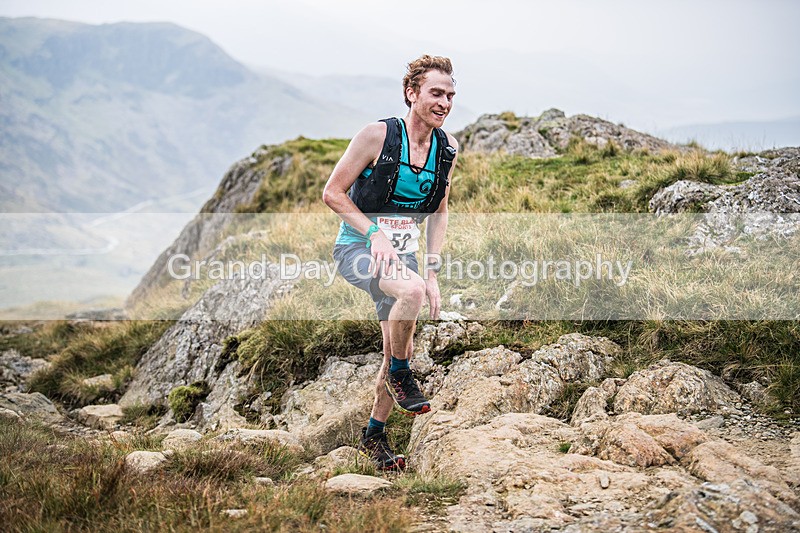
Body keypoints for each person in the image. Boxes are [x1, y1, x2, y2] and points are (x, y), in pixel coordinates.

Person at [322, 55, 458, 471]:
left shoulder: (447, 149)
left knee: (398, 343)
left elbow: (439, 212)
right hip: (357, 251)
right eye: (436, 93)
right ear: (411, 93)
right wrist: (374, 233)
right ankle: (402, 375)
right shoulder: (377, 136)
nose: (444, 103)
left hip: (403, 256)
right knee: (410, 292)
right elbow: (332, 193)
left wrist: (431, 271)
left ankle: (374, 435)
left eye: (450, 96)